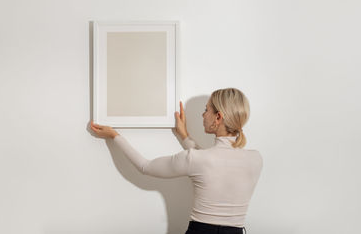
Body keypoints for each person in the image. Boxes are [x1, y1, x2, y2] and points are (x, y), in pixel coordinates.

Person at [90, 87, 263, 234]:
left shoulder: (196, 159)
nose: (203, 115)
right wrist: (184, 135)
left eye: (206, 110)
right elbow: (214, 160)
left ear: (218, 117)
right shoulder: (256, 159)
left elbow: (145, 166)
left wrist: (114, 136)